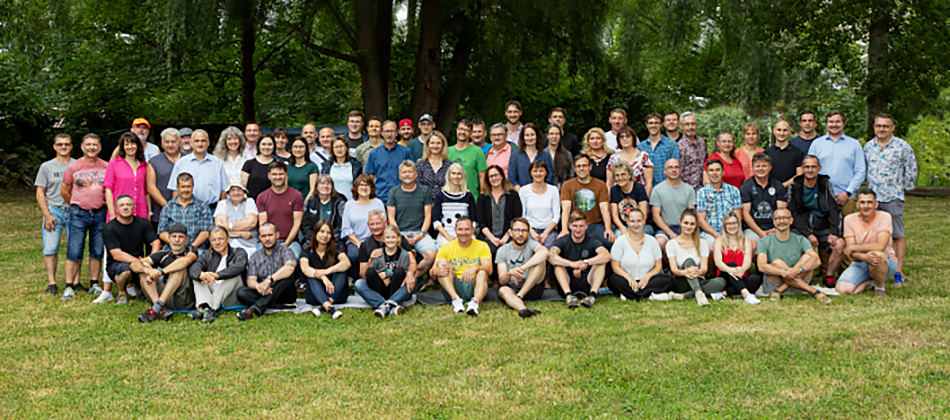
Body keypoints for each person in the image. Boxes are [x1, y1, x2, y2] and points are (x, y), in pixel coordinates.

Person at [864, 113, 917, 284]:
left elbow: (911, 169)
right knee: (873, 236)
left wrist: (904, 187)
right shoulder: (868, 147)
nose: (882, 129)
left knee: (897, 234)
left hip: (892, 196)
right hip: (872, 199)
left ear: (892, 128)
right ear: (874, 127)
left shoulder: (902, 146)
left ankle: (898, 272)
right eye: (878, 126)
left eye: (885, 126)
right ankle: (877, 269)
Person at [786, 155, 846, 288]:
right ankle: (796, 274)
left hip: (821, 226)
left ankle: (829, 276)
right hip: (801, 227)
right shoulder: (795, 185)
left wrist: (835, 233)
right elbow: (792, 213)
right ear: (802, 168)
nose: (810, 170)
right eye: (807, 167)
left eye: (813, 167)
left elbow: (833, 209)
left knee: (840, 244)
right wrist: (808, 234)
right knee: (790, 242)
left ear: (819, 168)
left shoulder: (825, 184)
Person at [62, 134, 108, 300]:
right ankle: (69, 286)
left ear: (99, 147)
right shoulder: (74, 167)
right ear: (82, 147)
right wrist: (78, 202)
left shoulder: (106, 166)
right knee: (74, 250)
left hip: (100, 213)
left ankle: (94, 284)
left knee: (97, 250)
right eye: (88, 144)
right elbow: (64, 191)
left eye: (95, 145)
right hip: (79, 214)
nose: (91, 148)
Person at [756, 208, 830, 303]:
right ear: (774, 221)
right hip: (775, 284)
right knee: (777, 263)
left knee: (808, 257)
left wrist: (798, 270)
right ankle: (813, 291)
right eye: (778, 218)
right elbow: (761, 266)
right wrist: (785, 272)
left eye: (785, 218)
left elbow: (816, 260)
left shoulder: (801, 239)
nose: (782, 221)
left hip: (797, 284)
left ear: (791, 220)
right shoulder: (764, 241)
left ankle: (779, 290)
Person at [837, 188, 899, 298]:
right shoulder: (849, 219)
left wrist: (854, 247)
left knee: (876, 255)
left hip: (885, 260)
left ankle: (879, 288)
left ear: (876, 204)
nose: (866, 206)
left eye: (869, 202)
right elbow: (851, 253)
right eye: (862, 202)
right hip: (860, 261)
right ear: (857, 205)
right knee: (842, 289)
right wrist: (864, 257)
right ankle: (869, 283)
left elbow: (880, 246)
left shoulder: (884, 217)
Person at [131, 222, 198, 322]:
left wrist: (161, 272)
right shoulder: (163, 254)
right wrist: (148, 270)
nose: (177, 240)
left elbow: (186, 260)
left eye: (180, 237)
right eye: (174, 236)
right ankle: (159, 308)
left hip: (183, 298)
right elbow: (134, 265)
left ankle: (156, 308)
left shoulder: (191, 250)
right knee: (143, 267)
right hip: (163, 297)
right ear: (169, 238)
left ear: (186, 239)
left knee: (179, 268)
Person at [100, 195, 161, 304]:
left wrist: (151, 259)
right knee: (126, 272)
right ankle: (122, 292)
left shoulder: (143, 223)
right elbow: (117, 254)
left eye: (128, 204)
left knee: (143, 270)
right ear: (116, 208)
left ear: (133, 207)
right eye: (122, 205)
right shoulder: (109, 228)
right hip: (118, 265)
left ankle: (149, 296)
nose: (125, 207)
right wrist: (141, 263)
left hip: (141, 263)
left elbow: (156, 242)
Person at [606, 208, 675, 301]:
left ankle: (629, 294)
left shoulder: (652, 241)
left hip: (648, 280)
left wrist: (647, 277)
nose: (636, 224)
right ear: (627, 222)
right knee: (613, 280)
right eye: (632, 221)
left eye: (639, 221)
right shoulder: (620, 241)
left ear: (644, 221)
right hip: (627, 280)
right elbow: (616, 267)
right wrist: (629, 278)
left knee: (669, 280)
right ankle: (650, 295)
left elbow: (658, 267)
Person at [36, 133, 75, 296]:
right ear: (54, 147)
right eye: (60, 144)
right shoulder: (46, 167)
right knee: (51, 248)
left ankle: (75, 281)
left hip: (73, 211)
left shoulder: (77, 165)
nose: (63, 147)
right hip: (54, 211)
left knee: (75, 248)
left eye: (66, 144)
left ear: (71, 146)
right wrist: (47, 214)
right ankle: (52, 283)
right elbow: (40, 191)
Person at [236, 223, 299, 321]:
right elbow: (251, 280)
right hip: (264, 292)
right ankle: (275, 305)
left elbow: (290, 268)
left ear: (277, 235)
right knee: (241, 292)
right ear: (259, 238)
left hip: (284, 293)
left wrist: (269, 280)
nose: (267, 239)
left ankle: (254, 309)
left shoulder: (285, 251)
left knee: (287, 278)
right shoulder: (255, 256)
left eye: (270, 235)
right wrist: (258, 287)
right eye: (264, 236)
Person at [548, 211, 611, 308]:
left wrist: (586, 263)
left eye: (581, 226)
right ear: (569, 226)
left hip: (587, 280)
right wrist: (571, 264)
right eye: (575, 226)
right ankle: (569, 296)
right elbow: (550, 256)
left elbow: (606, 255)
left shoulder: (592, 241)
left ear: (586, 226)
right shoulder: (563, 240)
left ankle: (592, 296)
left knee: (601, 262)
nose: (578, 229)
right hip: (567, 281)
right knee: (557, 264)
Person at [807, 110, 865, 213]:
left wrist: (847, 193)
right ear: (826, 124)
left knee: (847, 223)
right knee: (822, 223)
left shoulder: (854, 144)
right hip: (822, 196)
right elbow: (809, 169)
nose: (834, 125)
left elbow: (860, 171)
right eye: (831, 122)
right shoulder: (816, 144)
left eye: (838, 121)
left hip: (847, 197)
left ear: (843, 123)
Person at [431, 217, 492, 315]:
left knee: (482, 272)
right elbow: (432, 272)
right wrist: (436, 271)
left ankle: (474, 303)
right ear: (455, 230)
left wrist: (475, 268)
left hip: (474, 286)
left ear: (473, 230)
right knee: (442, 263)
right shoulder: (446, 247)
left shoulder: (482, 246)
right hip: (453, 286)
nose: (463, 233)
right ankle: (456, 300)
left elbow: (489, 269)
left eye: (467, 229)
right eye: (460, 229)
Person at [386, 160, 437, 278]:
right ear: (399, 176)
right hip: (399, 233)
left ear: (415, 175)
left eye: (410, 172)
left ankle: (414, 278)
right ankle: (395, 279)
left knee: (431, 255)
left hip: (420, 233)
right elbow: (391, 218)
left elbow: (428, 216)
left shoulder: (424, 191)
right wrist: (400, 236)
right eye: (404, 172)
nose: (407, 175)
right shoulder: (393, 192)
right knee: (391, 257)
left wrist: (420, 234)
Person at [666, 209, 726, 305]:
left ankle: (684, 296)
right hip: (682, 280)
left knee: (721, 282)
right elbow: (674, 270)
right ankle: (698, 294)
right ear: (680, 222)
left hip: (698, 279)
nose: (688, 226)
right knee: (689, 261)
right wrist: (686, 272)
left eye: (692, 224)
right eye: (686, 223)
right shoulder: (671, 244)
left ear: (696, 225)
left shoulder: (703, 243)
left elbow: (704, 269)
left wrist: (697, 272)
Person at [188, 225, 247, 323]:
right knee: (198, 277)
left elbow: (239, 266)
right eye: (214, 240)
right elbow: (194, 268)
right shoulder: (207, 255)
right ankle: (207, 309)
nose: (217, 242)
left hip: (230, 295)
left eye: (221, 239)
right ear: (210, 242)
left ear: (228, 239)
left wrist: (217, 275)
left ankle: (207, 308)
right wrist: (202, 275)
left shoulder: (238, 252)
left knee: (234, 276)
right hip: (211, 292)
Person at [358, 225, 417, 319]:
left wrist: (387, 274)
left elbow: (404, 271)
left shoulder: (404, 254)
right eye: (388, 237)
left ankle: (384, 306)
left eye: (393, 237)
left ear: (398, 238)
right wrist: (383, 277)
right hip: (380, 287)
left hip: (396, 286)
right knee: (359, 283)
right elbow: (373, 271)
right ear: (383, 239)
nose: (390, 240)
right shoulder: (378, 253)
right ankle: (391, 305)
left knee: (408, 276)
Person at [496, 218, 548, 318]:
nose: (520, 234)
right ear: (510, 232)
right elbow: (502, 281)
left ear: (528, 233)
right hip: (513, 286)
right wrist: (510, 273)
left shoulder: (531, 244)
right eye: (517, 230)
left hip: (532, 286)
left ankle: (519, 296)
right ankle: (523, 309)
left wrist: (522, 268)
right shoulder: (502, 251)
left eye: (524, 231)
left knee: (541, 261)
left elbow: (544, 252)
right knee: (503, 290)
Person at [300, 220, 351, 319]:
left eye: (328, 233)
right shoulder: (307, 251)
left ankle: (325, 306)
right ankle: (329, 307)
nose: (325, 235)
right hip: (315, 295)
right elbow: (305, 268)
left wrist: (328, 271)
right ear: (316, 233)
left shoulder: (336, 249)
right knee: (312, 276)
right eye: (322, 231)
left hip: (336, 293)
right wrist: (323, 277)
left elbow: (346, 263)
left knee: (341, 271)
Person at [560, 154, 614, 245]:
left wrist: (608, 228)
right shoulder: (567, 185)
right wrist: (564, 229)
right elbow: (566, 209)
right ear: (574, 168)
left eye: (584, 165)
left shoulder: (600, 184)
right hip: (575, 224)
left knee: (608, 240)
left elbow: (604, 209)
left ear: (590, 167)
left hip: (595, 224)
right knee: (565, 243)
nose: (581, 168)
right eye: (578, 166)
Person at [168, 129, 228, 209]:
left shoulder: (217, 163)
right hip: (187, 209)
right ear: (191, 143)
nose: (200, 144)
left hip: (212, 209)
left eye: (203, 141)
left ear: (208, 143)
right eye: (196, 141)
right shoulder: (181, 163)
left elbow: (223, 190)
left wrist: (223, 210)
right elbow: (175, 190)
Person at [341, 174, 386, 276]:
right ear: (356, 188)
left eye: (367, 185)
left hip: (376, 240)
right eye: (361, 185)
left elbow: (384, 224)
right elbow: (346, 229)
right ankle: (356, 278)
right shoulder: (349, 205)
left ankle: (381, 276)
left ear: (372, 188)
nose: (364, 188)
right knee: (353, 255)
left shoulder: (378, 203)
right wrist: (360, 245)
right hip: (355, 241)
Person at [256, 161, 304, 257]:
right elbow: (263, 224)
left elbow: (297, 223)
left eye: (281, 174)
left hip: (291, 242)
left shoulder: (296, 195)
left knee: (293, 257)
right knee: (260, 257)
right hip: (268, 241)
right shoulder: (262, 197)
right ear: (269, 176)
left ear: (286, 175)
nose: (278, 177)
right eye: (274, 174)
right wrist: (271, 243)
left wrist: (286, 243)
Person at [712, 212, 763, 304]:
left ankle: (723, 293)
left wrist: (742, 269)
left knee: (756, 279)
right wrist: (730, 270)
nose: (732, 226)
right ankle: (746, 295)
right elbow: (718, 262)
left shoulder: (746, 241)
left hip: (740, 275)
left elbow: (747, 261)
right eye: (728, 224)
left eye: (734, 223)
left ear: (738, 225)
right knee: (731, 264)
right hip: (725, 276)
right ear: (724, 226)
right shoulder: (719, 240)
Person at [157, 173, 213, 250]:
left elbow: (206, 231)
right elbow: (161, 232)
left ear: (193, 186)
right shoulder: (169, 207)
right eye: (183, 187)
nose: (186, 190)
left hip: (196, 248)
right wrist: (176, 244)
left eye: (188, 186)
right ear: (177, 187)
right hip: (172, 248)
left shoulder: (202, 207)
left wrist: (191, 247)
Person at [650, 159, 697, 251]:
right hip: (665, 228)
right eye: (670, 167)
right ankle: (667, 261)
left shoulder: (689, 189)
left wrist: (685, 233)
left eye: (676, 167)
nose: (674, 170)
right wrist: (670, 233)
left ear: (680, 170)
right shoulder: (657, 190)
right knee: (660, 242)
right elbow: (656, 216)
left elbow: (691, 214)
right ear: (665, 171)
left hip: (685, 227)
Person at [740, 153, 787, 242]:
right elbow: (745, 214)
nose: (761, 169)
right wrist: (760, 233)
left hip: (775, 227)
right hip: (752, 229)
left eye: (764, 166)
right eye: (757, 166)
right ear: (753, 168)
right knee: (751, 245)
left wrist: (775, 228)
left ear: (770, 167)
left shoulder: (778, 185)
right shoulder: (746, 186)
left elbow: (782, 211)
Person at [478, 165, 525, 253]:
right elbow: (481, 222)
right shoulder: (482, 197)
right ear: (487, 179)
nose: (494, 178)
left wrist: (506, 236)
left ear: (502, 176)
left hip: (510, 237)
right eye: (491, 176)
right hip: (488, 238)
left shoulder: (513, 195)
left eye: (496, 175)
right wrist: (492, 239)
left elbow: (517, 219)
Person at [365, 120, 414, 203]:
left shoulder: (406, 152)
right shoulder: (374, 153)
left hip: (402, 197)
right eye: (387, 131)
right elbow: (370, 177)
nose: (389, 134)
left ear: (397, 132)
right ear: (382, 133)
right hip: (380, 197)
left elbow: (412, 174)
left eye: (392, 131)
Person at [696, 159, 742, 245]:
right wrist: (717, 235)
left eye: (717, 170)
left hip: (731, 231)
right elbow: (701, 220)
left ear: (723, 172)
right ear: (707, 173)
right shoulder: (701, 193)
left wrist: (729, 233)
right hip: (710, 233)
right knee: (714, 246)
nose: (714, 173)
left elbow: (738, 216)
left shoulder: (734, 191)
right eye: (711, 170)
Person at [104, 132, 148, 222]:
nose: (130, 147)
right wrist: (112, 214)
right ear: (122, 147)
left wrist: (149, 211)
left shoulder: (144, 165)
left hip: (140, 212)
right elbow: (108, 190)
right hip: (120, 213)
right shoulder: (114, 164)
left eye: (133, 143)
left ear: (137, 145)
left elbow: (146, 191)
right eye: (127, 144)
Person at [518, 160, 560, 249]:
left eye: (541, 171)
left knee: (548, 249)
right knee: (532, 249)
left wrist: (546, 233)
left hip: (549, 230)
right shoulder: (524, 191)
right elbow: (522, 215)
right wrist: (532, 232)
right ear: (530, 173)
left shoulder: (553, 190)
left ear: (546, 173)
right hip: (529, 229)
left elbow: (556, 216)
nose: (538, 174)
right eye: (535, 171)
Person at [433, 163, 477, 247]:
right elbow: (436, 221)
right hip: (446, 234)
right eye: (453, 173)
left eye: (459, 174)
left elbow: (473, 220)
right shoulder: (441, 195)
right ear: (449, 176)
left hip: (465, 234)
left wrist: (466, 235)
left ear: (462, 176)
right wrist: (448, 237)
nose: (456, 176)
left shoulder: (468, 196)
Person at [213, 177, 259, 256]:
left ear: (244, 192)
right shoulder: (222, 204)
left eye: (239, 190)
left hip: (249, 245)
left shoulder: (249, 202)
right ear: (228, 193)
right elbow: (220, 228)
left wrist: (229, 226)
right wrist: (241, 233)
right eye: (233, 190)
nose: (236, 193)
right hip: (227, 245)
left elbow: (251, 222)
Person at [147, 128, 182, 231]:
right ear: (162, 143)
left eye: (173, 141)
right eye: (167, 142)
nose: (170, 145)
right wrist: (168, 207)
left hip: (186, 212)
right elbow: (151, 187)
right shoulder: (154, 162)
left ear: (179, 142)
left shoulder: (188, 160)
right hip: (160, 212)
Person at [300, 175, 347, 249]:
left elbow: (341, 225)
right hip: (312, 240)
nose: (325, 186)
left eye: (328, 183)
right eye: (322, 183)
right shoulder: (310, 202)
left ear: (332, 187)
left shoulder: (339, 202)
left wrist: (329, 239)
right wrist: (315, 240)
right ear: (316, 186)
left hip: (334, 242)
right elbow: (305, 225)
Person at [609, 160, 651, 237]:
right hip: (623, 226)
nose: (620, 178)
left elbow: (643, 214)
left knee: (640, 235)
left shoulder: (639, 188)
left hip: (641, 225)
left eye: (623, 174)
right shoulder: (614, 190)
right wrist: (624, 230)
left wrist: (634, 230)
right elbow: (614, 216)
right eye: (617, 175)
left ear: (630, 175)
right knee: (620, 236)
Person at [606, 126, 653, 195]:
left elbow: (649, 182)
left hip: (640, 196)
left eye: (628, 136)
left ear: (633, 138)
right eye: (622, 137)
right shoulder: (613, 158)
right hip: (619, 196)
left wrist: (645, 199)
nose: (624, 139)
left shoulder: (643, 156)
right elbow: (609, 183)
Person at [448, 119, 488, 199]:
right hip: (450, 198)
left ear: (470, 133)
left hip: (472, 198)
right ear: (457, 130)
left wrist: (482, 198)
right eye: (461, 129)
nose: (462, 132)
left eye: (466, 130)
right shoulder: (447, 151)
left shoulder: (477, 151)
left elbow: (482, 177)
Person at [508, 122, 555, 188]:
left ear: (537, 136)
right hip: (520, 192)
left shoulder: (545, 156)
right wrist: (521, 191)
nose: (530, 138)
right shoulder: (515, 156)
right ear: (523, 137)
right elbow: (512, 178)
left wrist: (539, 190)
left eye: (532, 135)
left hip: (542, 191)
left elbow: (550, 176)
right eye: (527, 135)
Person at [639, 113, 680, 186]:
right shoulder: (641, 147)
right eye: (651, 123)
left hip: (665, 187)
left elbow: (675, 168)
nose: (653, 125)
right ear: (646, 124)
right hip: (645, 188)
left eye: (656, 123)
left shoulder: (671, 145)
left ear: (662, 124)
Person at [764, 120, 805, 187]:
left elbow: (800, 174)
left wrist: (782, 186)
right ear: (774, 131)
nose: (782, 133)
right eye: (779, 130)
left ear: (789, 132)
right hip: (771, 190)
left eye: (785, 130)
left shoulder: (798, 153)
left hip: (792, 191)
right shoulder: (766, 153)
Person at [416, 130, 452, 203]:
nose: (435, 146)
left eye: (438, 143)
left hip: (445, 204)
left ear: (443, 145)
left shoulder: (449, 165)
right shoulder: (420, 164)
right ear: (428, 145)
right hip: (424, 204)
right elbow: (418, 187)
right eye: (432, 143)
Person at [240, 135, 276, 200]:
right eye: (263, 144)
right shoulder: (249, 164)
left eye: (269, 144)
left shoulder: (278, 165)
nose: (266, 147)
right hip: (251, 203)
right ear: (259, 146)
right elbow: (242, 187)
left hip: (271, 202)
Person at [678, 112, 707, 191]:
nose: (690, 127)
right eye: (687, 124)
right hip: (687, 190)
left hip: (703, 189)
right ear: (681, 126)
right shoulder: (679, 146)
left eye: (693, 124)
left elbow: (706, 163)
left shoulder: (701, 142)